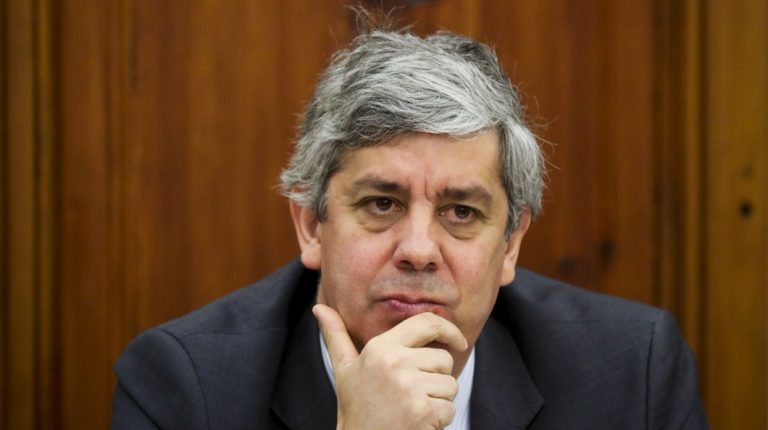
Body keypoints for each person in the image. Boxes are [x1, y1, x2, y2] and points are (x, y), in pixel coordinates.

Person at [110, 20, 709, 430]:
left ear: (510, 244)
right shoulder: (185, 388)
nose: (419, 250)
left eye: (461, 213)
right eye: (382, 204)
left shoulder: (632, 372)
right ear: (311, 225)